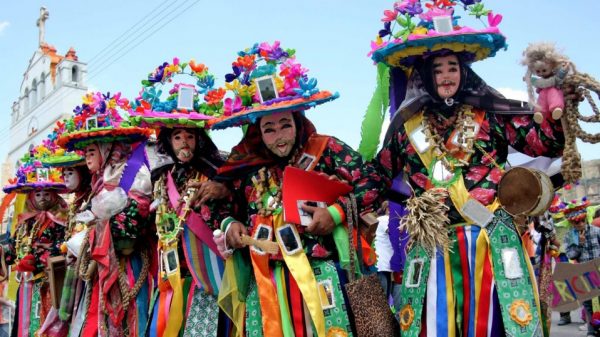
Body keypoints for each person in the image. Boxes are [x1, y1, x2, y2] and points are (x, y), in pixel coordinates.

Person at [370, 1, 565, 336]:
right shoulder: (407, 128)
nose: (446, 76)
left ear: (464, 71)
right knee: (433, 325)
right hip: (432, 244)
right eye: (438, 70)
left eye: (452, 67)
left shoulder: (489, 114)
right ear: (426, 77)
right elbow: (376, 177)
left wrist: (554, 99)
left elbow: (544, 145)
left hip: (488, 237)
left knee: (495, 323)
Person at [209, 41, 383, 337]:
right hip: (266, 281)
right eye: (269, 129)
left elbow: (372, 182)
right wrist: (230, 224)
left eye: (285, 125)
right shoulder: (244, 166)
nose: (278, 137)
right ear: (257, 132)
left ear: (298, 122)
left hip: (322, 272)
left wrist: (336, 213)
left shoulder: (326, 150)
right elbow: (223, 207)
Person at [129, 58, 234, 337]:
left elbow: (238, 202)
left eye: (190, 135)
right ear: (168, 142)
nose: (184, 142)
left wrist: (224, 189)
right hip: (171, 273)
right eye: (178, 137)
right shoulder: (161, 177)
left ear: (199, 140)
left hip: (208, 273)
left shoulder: (219, 170)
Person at [57, 92, 154, 337]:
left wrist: (93, 234)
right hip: (102, 266)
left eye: (91, 150)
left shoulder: (134, 173)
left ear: (106, 148)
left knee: (129, 320)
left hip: (127, 264)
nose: (87, 156)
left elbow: (133, 223)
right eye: (86, 152)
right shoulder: (100, 180)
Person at [2, 157, 68, 337]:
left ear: (54, 194)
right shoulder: (25, 222)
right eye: (38, 194)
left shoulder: (64, 219)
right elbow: (13, 249)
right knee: (24, 325)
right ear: (31, 196)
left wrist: (40, 258)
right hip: (27, 283)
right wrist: (5, 252)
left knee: (49, 325)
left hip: (51, 282)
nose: (42, 199)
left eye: (47, 194)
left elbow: (66, 245)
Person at [563, 198, 600, 337]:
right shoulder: (569, 237)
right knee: (588, 304)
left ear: (585, 218)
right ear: (572, 223)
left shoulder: (596, 231)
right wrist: (580, 244)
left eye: (581, 220)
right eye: (576, 222)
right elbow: (571, 255)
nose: (580, 224)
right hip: (583, 273)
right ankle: (592, 330)